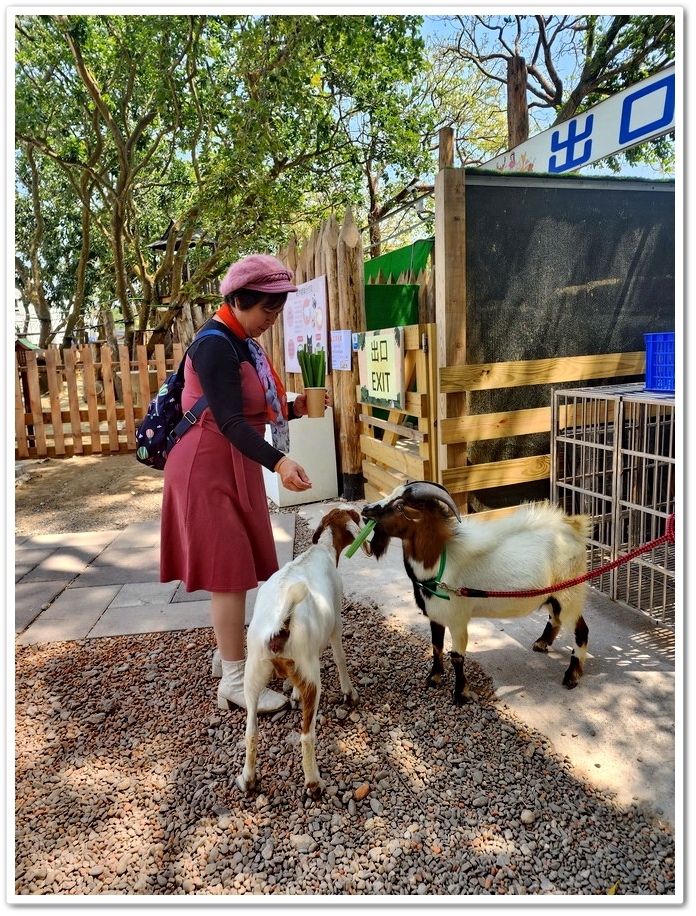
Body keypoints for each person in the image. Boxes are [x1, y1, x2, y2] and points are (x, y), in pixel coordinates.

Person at [160, 253, 318, 714]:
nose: (273, 319)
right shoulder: (215, 344)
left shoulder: (243, 342)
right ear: (239, 299)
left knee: (241, 563)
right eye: (268, 309)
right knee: (228, 571)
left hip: (233, 460)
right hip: (206, 463)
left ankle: (224, 650)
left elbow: (252, 405)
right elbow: (229, 419)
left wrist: (295, 408)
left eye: (278, 310)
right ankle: (233, 679)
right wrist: (280, 462)